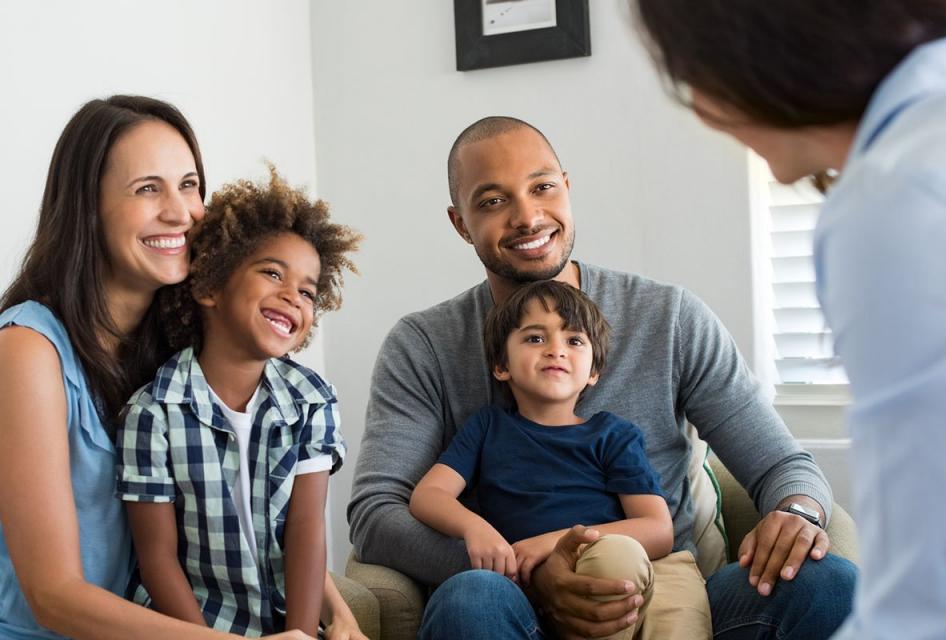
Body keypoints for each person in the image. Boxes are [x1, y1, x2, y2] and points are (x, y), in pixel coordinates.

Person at [349, 115, 856, 639]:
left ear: (566, 188)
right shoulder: (424, 345)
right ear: (461, 224)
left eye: (542, 187)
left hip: (659, 594)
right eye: (493, 201)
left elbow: (781, 464)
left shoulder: (668, 317)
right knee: (471, 599)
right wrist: (531, 574)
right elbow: (376, 512)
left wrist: (800, 513)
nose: (528, 217)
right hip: (509, 603)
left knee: (829, 584)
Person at [632, 2, 946, 638]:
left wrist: (799, 507)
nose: (700, 110)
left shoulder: (896, 198)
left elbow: (928, 598)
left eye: (690, 74)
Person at [0, 96, 312, 639]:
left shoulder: (180, 350)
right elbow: (53, 597)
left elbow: (246, 514)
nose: (182, 212)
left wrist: (334, 611)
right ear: (87, 206)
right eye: (148, 188)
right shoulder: (26, 349)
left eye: (189, 185)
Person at [115, 168, 365, 638]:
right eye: (273, 273)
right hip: (193, 625)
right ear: (210, 286)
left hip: (287, 623)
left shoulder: (312, 401)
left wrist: (302, 633)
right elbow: (157, 559)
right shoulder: (151, 414)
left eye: (308, 291)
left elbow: (306, 530)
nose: (293, 295)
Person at [410, 280, 711, 640]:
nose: (556, 350)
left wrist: (549, 542)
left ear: (594, 372)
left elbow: (658, 529)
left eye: (574, 341)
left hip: (604, 567)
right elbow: (428, 495)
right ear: (501, 365)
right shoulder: (488, 427)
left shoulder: (613, 435)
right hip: (525, 599)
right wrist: (475, 529)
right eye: (535, 338)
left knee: (617, 556)